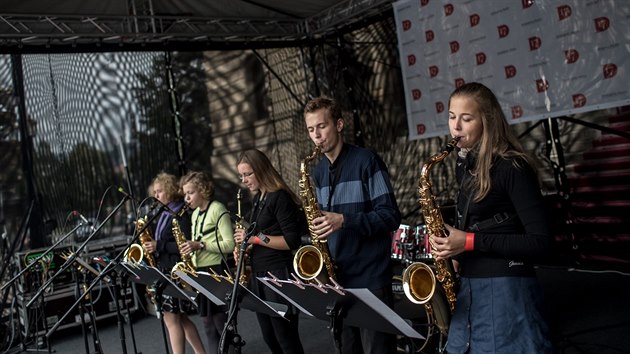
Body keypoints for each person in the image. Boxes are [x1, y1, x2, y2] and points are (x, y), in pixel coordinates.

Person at [429, 82, 553, 353]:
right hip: (471, 286)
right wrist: (455, 253)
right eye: (451, 116)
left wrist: (470, 242)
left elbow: (541, 242)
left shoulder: (513, 166)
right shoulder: (465, 163)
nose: (456, 127)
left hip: (507, 289)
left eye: (466, 118)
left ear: (488, 120)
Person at [303, 97, 401, 354]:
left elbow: (390, 216)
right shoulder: (318, 172)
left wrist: (344, 220)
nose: (317, 135)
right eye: (311, 130)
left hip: (370, 279)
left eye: (322, 127)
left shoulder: (367, 160)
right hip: (338, 281)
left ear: (339, 124)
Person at [233, 149, 305, 354]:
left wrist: (255, 238)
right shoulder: (258, 199)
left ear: (261, 170)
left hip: (278, 274)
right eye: (241, 175)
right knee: (270, 337)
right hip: (260, 275)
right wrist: (245, 248)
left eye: (248, 174)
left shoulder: (279, 197)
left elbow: (291, 241)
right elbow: (259, 236)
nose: (244, 180)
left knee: (286, 339)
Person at [143, 172, 206, 354]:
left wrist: (158, 245)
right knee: (181, 320)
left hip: (174, 272)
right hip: (165, 270)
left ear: (170, 191)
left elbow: (183, 245)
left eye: (160, 191)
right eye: (154, 192)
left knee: (171, 321)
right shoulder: (163, 213)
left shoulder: (180, 213)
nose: (156, 196)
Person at [179, 171, 235, 354]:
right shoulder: (195, 214)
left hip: (216, 270)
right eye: (185, 194)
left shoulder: (217, 208)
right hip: (200, 271)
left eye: (191, 192)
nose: (187, 198)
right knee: (207, 324)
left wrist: (200, 245)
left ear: (203, 190)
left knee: (220, 323)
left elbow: (229, 244)